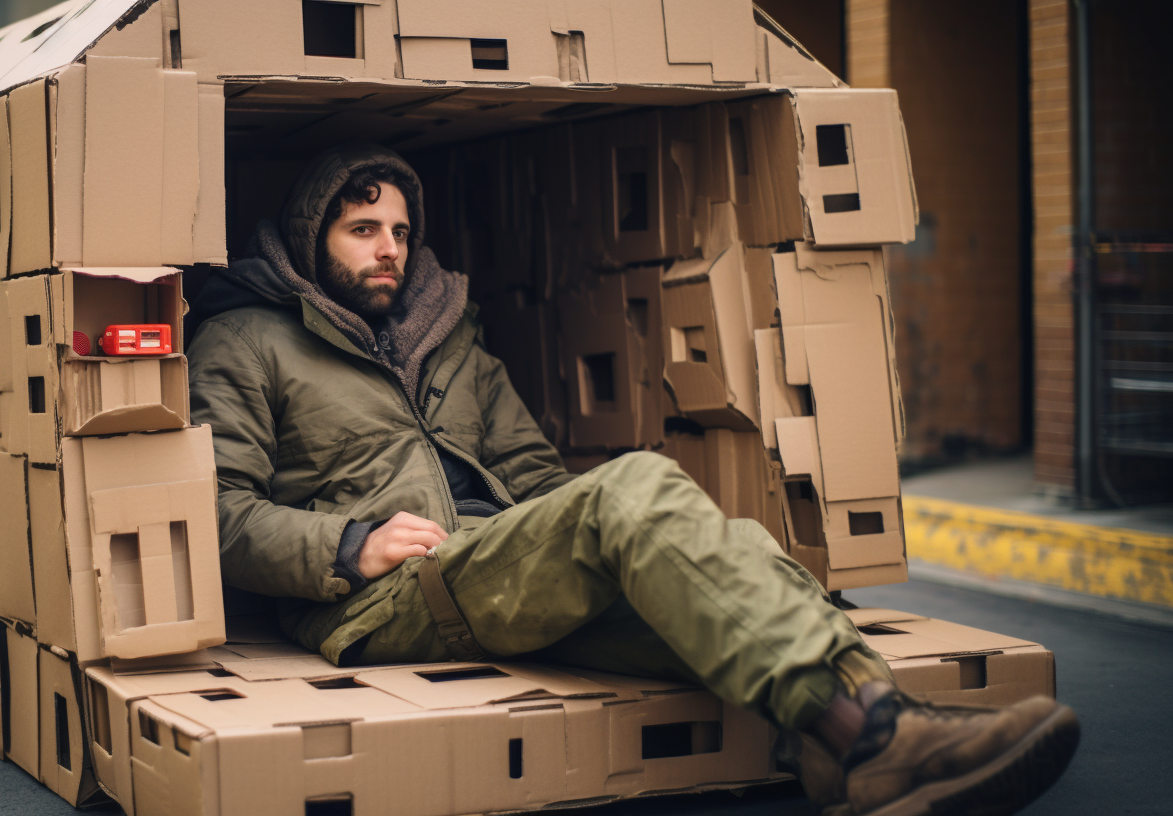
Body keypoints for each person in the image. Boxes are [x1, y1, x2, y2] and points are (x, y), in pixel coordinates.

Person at [187, 144, 1079, 815]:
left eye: (402, 233)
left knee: (731, 564)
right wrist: (349, 545)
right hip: (379, 599)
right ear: (315, 237)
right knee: (636, 487)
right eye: (365, 229)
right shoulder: (247, 341)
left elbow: (534, 474)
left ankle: (859, 741)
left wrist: (604, 542)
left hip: (494, 568)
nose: (390, 249)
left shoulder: (448, 340)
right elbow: (219, 514)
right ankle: (878, 738)